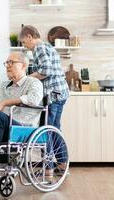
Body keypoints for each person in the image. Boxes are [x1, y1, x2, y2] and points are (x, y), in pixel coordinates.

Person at [19, 25, 69, 173]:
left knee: (45, 130)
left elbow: (46, 71)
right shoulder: (45, 46)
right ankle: (61, 164)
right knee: (53, 129)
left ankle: (48, 168)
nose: (25, 46)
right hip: (60, 93)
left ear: (29, 36)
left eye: (24, 42)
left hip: (54, 94)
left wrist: (27, 78)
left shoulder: (39, 48)